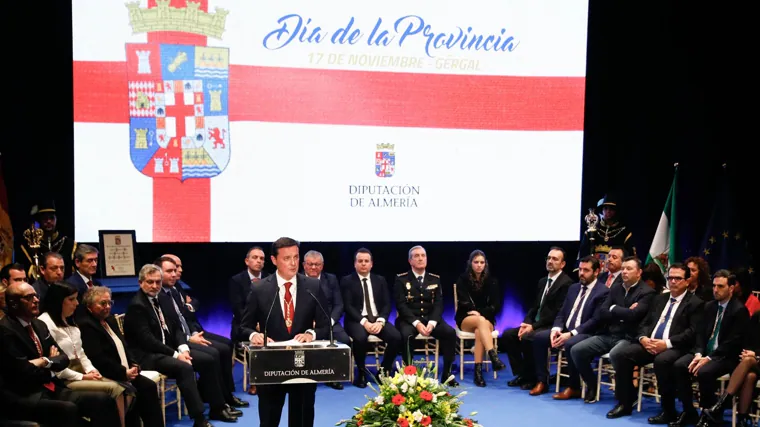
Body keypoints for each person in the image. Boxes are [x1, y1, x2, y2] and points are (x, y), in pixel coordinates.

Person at [239, 237, 330, 427]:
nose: (293, 263)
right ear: (274, 260)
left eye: (296, 257)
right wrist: (253, 335)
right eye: (287, 258)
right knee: (270, 419)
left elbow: (325, 326)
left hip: (303, 364)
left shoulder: (313, 286)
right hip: (271, 365)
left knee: (302, 419)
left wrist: (311, 334)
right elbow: (243, 327)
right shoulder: (259, 288)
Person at [0, 281, 120, 426]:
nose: (36, 300)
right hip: (25, 395)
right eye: (29, 297)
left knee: (103, 400)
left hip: (50, 387)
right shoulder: (6, 330)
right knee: (68, 409)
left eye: (36, 296)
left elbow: (63, 358)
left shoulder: (39, 325)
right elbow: (23, 371)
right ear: (14, 304)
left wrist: (44, 361)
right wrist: (50, 363)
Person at [124, 264, 230, 427]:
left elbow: (175, 328)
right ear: (140, 283)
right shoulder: (137, 306)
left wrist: (183, 349)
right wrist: (176, 355)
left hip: (168, 349)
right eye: (150, 282)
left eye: (157, 282)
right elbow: (148, 341)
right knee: (184, 367)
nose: (154, 286)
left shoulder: (162, 299)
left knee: (207, 359)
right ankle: (199, 419)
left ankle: (217, 406)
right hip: (147, 355)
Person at [606, 263, 705, 421]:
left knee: (662, 361)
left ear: (687, 281)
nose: (673, 281)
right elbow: (645, 323)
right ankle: (625, 402)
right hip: (650, 344)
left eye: (678, 278)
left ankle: (668, 410)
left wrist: (665, 344)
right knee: (622, 354)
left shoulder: (695, 303)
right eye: (670, 278)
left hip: (676, 347)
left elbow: (692, 333)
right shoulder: (659, 298)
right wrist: (643, 338)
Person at [38, 282, 135, 427]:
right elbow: (55, 364)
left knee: (128, 389)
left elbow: (81, 353)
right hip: (65, 377)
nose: (76, 303)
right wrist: (83, 376)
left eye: (76, 299)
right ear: (58, 301)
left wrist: (91, 369)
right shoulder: (45, 323)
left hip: (82, 372)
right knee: (116, 390)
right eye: (71, 299)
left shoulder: (68, 319)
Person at [570, 256, 656, 403]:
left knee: (617, 354)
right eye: (623, 269)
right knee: (577, 350)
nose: (624, 272)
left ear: (639, 272)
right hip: (609, 334)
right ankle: (592, 385)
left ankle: (628, 393)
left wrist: (614, 309)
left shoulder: (647, 292)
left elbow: (634, 315)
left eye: (629, 269)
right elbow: (602, 313)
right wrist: (623, 312)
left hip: (629, 337)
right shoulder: (615, 288)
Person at [77, 286, 164, 427]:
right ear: (89, 306)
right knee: (137, 390)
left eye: (109, 303)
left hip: (127, 373)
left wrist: (134, 364)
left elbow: (125, 347)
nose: (107, 307)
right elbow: (99, 359)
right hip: (109, 375)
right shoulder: (86, 326)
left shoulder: (110, 320)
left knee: (148, 387)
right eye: (102, 303)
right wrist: (124, 373)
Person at [673, 270, 749, 426]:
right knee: (679, 365)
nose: (715, 290)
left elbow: (732, 343)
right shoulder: (709, 306)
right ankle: (689, 411)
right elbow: (700, 334)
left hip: (725, 356)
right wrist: (699, 353)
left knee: (705, 372)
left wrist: (708, 358)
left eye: (720, 286)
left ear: (731, 288)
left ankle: (708, 415)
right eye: (714, 286)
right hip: (704, 353)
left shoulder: (739, 310)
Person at [530, 255, 609, 398]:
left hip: (586, 332)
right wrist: (556, 329)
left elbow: (595, 320)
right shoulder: (573, 288)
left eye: (586, 270)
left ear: (596, 272)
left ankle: (574, 387)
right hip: (566, 330)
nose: (581, 273)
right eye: (580, 269)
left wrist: (571, 334)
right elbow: (562, 312)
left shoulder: (602, 291)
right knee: (539, 338)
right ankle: (542, 381)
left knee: (571, 344)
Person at [503, 247, 573, 389]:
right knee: (508, 335)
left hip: (553, 326)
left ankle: (534, 378)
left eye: (555, 259)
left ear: (563, 264)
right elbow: (535, 307)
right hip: (537, 323)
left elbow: (556, 313)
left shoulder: (566, 283)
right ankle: (523, 374)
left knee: (530, 337)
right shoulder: (542, 282)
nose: (550, 261)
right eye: (549, 258)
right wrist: (526, 322)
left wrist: (532, 327)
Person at [394, 245, 459, 387]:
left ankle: (447, 374)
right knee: (407, 336)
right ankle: (409, 375)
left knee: (450, 333)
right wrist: (416, 323)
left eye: (423, 256)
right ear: (410, 261)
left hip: (431, 319)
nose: (420, 258)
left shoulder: (434, 279)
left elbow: (439, 304)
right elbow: (401, 305)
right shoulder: (401, 279)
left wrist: (432, 322)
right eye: (416, 256)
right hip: (409, 320)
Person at [340, 247, 402, 388]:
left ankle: (384, 371)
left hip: (377, 319)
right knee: (360, 338)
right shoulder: (347, 281)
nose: (363, 264)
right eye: (360, 261)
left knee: (396, 337)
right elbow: (348, 306)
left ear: (371, 264)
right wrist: (364, 322)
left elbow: (387, 304)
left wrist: (380, 321)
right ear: (355, 264)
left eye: (366, 261)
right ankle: (361, 372)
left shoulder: (379, 280)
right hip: (356, 320)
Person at [454, 249, 506, 387]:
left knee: (480, 328)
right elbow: (465, 304)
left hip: (486, 319)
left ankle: (478, 373)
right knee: (480, 321)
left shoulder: (492, 281)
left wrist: (480, 312)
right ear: (470, 263)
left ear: (485, 264)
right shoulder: (463, 279)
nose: (479, 265)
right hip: (466, 318)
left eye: (482, 262)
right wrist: (479, 313)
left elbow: (496, 305)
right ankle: (493, 355)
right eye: (476, 262)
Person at [700, 310, 760, 427]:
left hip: (754, 359)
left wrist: (755, 354)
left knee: (748, 361)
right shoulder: (757, 316)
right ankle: (742, 420)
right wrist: (747, 352)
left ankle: (721, 405)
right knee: (750, 376)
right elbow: (746, 340)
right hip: (754, 362)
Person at [303, 249, 350, 390]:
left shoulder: (331, 279)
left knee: (345, 340)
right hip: (304, 323)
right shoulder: (297, 279)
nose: (313, 267)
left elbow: (339, 304)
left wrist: (329, 321)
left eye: (317, 264)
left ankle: (333, 375)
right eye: (310, 264)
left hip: (328, 322)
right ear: (304, 265)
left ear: (322, 266)